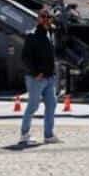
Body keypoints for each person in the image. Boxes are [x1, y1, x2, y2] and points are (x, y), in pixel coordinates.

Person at [19, 10, 59, 145]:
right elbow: (25, 58)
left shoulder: (51, 34)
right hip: (37, 78)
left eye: (48, 17)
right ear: (38, 18)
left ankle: (49, 135)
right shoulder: (32, 35)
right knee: (33, 106)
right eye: (43, 17)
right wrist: (36, 73)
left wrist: (52, 73)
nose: (46, 19)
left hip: (50, 78)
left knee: (51, 106)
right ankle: (24, 135)